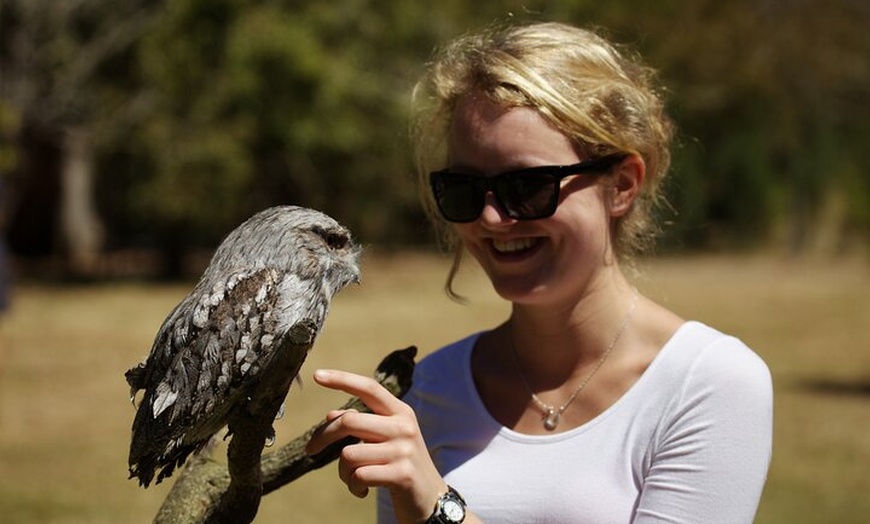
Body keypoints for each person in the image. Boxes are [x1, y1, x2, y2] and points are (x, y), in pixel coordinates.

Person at [306, 21, 772, 524]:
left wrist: (440, 510)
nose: (489, 218)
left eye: (527, 185)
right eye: (462, 189)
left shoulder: (707, 383)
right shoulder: (428, 392)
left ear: (622, 184)